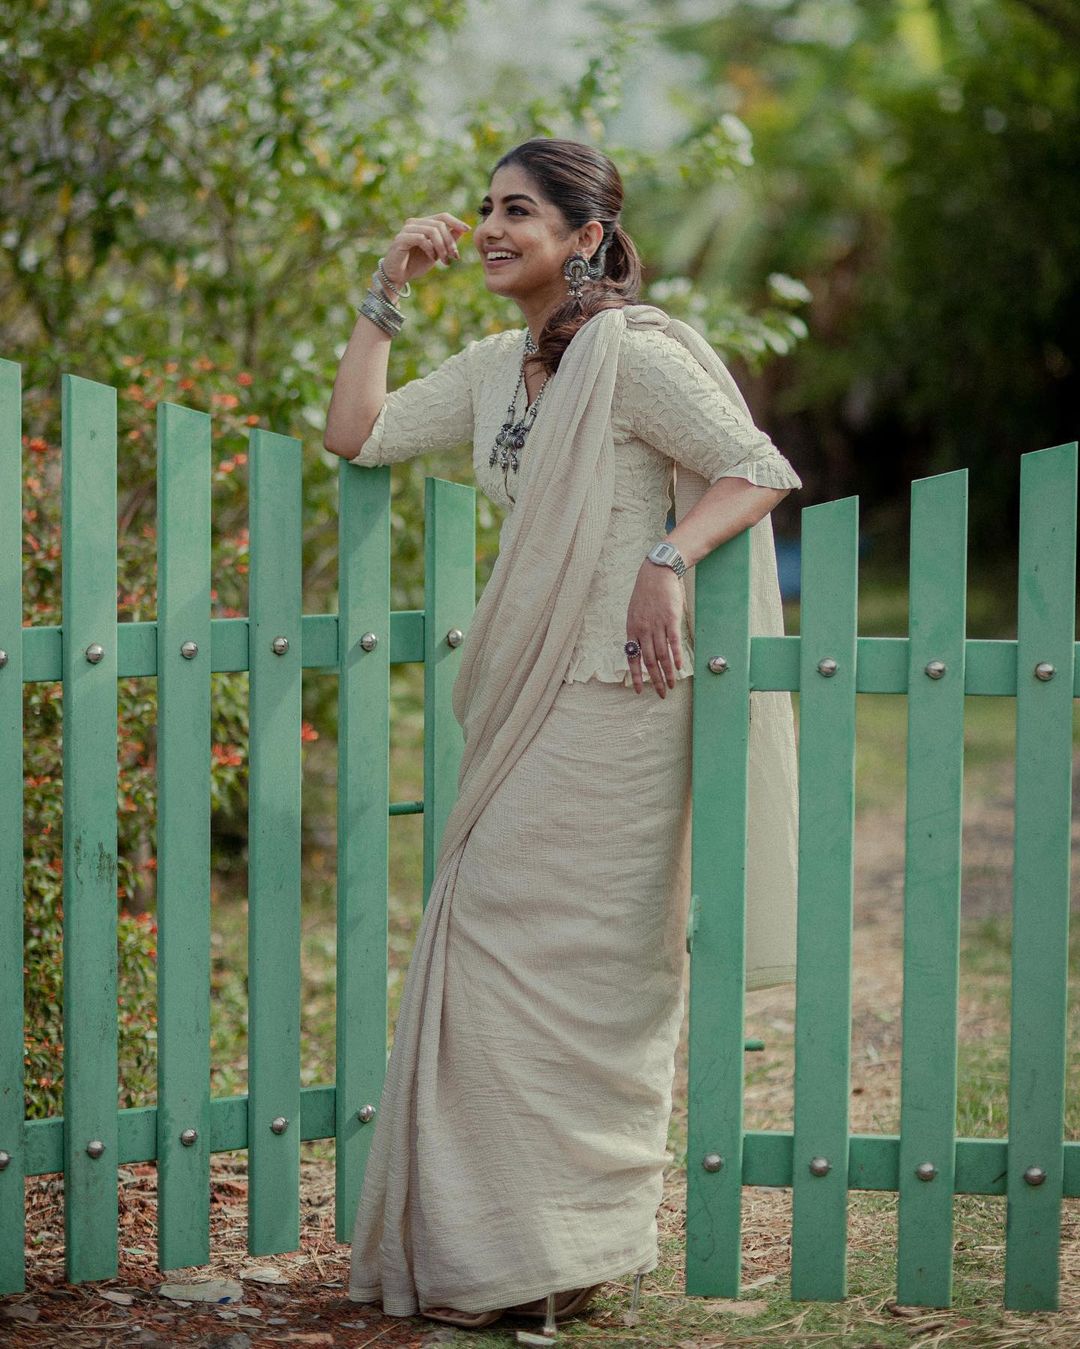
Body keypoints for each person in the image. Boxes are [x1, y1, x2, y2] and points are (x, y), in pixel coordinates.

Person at [322, 137, 801, 1332]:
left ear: (585, 237)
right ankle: (501, 1246)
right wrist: (385, 290)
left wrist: (667, 557)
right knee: (487, 944)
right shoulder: (493, 368)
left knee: (597, 972)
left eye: (520, 211)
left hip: (621, 701)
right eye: (486, 208)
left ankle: (567, 1248)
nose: (491, 228)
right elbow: (358, 433)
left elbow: (754, 468)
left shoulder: (632, 357)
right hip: (522, 695)